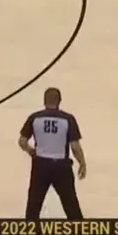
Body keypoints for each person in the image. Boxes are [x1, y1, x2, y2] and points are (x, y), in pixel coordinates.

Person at [19, 87, 86, 219]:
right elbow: (75, 146)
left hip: (40, 165)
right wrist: (82, 163)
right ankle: (79, 230)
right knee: (71, 205)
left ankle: (28, 230)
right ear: (59, 101)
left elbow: (22, 141)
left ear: (44, 101)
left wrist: (31, 151)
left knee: (33, 205)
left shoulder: (35, 118)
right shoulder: (68, 119)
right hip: (61, 166)